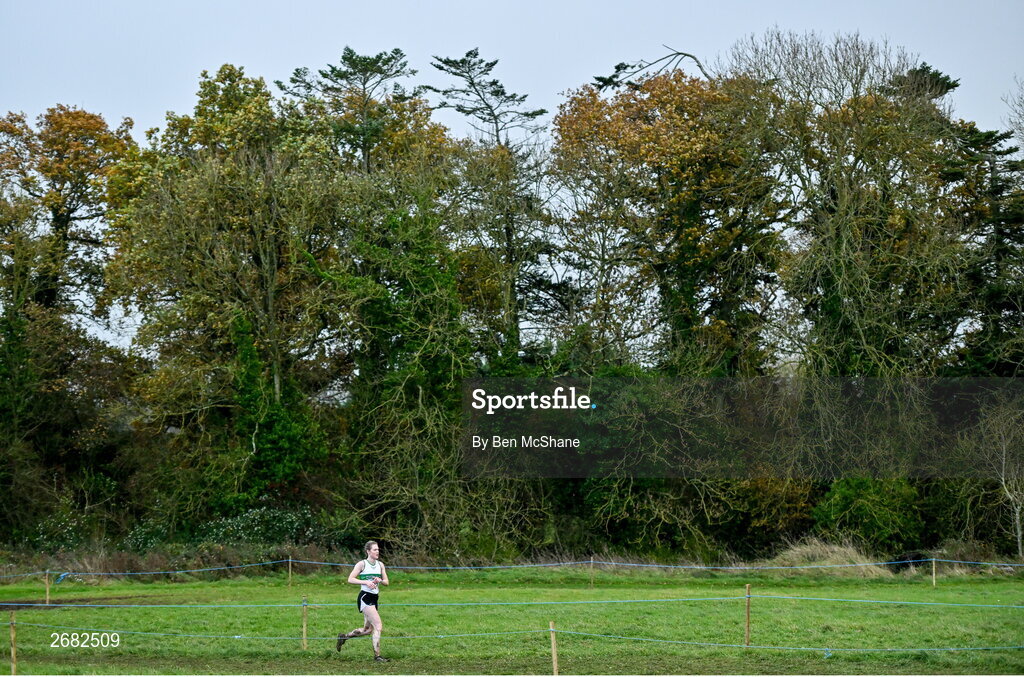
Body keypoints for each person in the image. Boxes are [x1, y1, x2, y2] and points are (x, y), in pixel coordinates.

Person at [336, 540, 390, 662]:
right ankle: (377, 656)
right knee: (378, 625)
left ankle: (344, 637)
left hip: (375, 598)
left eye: (378, 549)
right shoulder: (362, 564)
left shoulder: (380, 565)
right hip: (365, 597)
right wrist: (366, 582)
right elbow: (350, 579)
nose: (378, 551)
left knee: (367, 630)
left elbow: (387, 582)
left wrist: (379, 580)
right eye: (375, 549)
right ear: (368, 551)